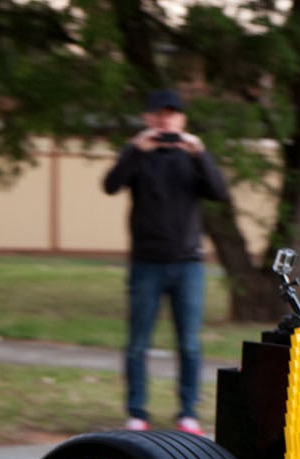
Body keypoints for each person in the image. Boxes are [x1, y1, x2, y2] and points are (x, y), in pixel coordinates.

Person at [103, 88, 230, 435]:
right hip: (146, 263)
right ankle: (136, 412)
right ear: (148, 118)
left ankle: (188, 412)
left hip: (188, 264)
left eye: (172, 114)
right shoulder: (139, 155)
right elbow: (110, 185)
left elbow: (219, 192)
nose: (165, 120)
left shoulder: (192, 157)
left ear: (182, 120)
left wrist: (200, 152)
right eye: (159, 114)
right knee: (138, 342)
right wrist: (133, 149)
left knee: (188, 342)